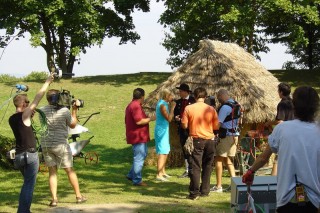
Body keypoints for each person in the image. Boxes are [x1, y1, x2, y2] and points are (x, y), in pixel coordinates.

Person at [242, 86, 320, 213]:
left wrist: (250, 171)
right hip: (314, 201)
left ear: (294, 106)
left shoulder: (282, 129)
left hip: (286, 200)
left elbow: (263, 158)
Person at [9, 74, 54, 213]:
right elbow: (39, 96)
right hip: (30, 155)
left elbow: (23, 124)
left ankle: (23, 210)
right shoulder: (24, 115)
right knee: (28, 185)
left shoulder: (12, 118)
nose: (29, 103)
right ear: (22, 104)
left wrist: (29, 114)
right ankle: (23, 211)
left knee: (26, 184)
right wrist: (48, 81)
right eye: (27, 102)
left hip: (19, 156)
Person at [40, 89, 87, 207]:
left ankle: (54, 199)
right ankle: (78, 196)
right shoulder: (65, 110)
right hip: (60, 144)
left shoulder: (41, 110)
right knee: (69, 170)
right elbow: (73, 124)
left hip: (46, 144)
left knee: (52, 172)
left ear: (48, 98)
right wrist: (74, 110)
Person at [181, 87, 219, 200]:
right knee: (208, 165)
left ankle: (194, 192)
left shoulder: (188, 108)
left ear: (194, 96)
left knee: (196, 166)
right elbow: (216, 126)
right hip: (210, 140)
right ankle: (205, 191)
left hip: (196, 139)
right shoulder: (211, 109)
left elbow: (184, 125)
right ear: (205, 97)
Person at [211, 89, 240, 193]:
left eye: (219, 97)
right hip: (234, 135)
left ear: (221, 95)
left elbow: (218, 124)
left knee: (218, 159)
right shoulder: (236, 104)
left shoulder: (225, 107)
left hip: (226, 136)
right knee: (228, 159)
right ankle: (234, 185)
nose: (218, 100)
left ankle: (218, 186)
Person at [125, 88, 155, 186]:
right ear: (142, 96)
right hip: (138, 136)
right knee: (139, 157)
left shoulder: (132, 105)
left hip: (137, 135)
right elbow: (139, 121)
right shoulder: (136, 106)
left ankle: (130, 174)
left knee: (142, 154)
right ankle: (137, 180)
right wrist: (151, 118)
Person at [264, 82, 294, 176]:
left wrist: (269, 123)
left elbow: (280, 121)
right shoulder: (293, 102)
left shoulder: (282, 104)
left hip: (286, 134)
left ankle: (273, 182)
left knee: (277, 159)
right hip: (296, 133)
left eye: (278, 91)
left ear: (281, 92)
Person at [173, 83, 196, 178]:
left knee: (193, 150)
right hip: (182, 129)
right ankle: (187, 170)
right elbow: (175, 114)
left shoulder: (193, 101)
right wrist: (177, 118)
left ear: (186, 92)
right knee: (184, 149)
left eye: (181, 91)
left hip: (192, 129)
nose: (179, 92)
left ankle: (194, 169)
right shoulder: (178, 102)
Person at [155, 89, 176, 181]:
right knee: (162, 151)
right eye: (171, 95)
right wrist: (172, 108)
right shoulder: (162, 105)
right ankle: (159, 174)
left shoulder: (164, 103)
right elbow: (169, 119)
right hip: (161, 130)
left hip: (164, 129)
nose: (172, 97)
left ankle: (163, 171)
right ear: (166, 96)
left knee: (166, 149)